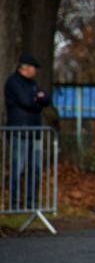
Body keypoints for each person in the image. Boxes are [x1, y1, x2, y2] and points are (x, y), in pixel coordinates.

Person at [4, 54, 52, 210]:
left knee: (35, 169)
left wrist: (38, 100)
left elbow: (46, 99)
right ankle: (15, 204)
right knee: (18, 168)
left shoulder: (32, 83)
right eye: (33, 68)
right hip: (20, 132)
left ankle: (32, 203)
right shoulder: (14, 82)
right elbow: (27, 101)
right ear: (25, 68)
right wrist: (37, 100)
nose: (35, 72)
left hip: (35, 132)